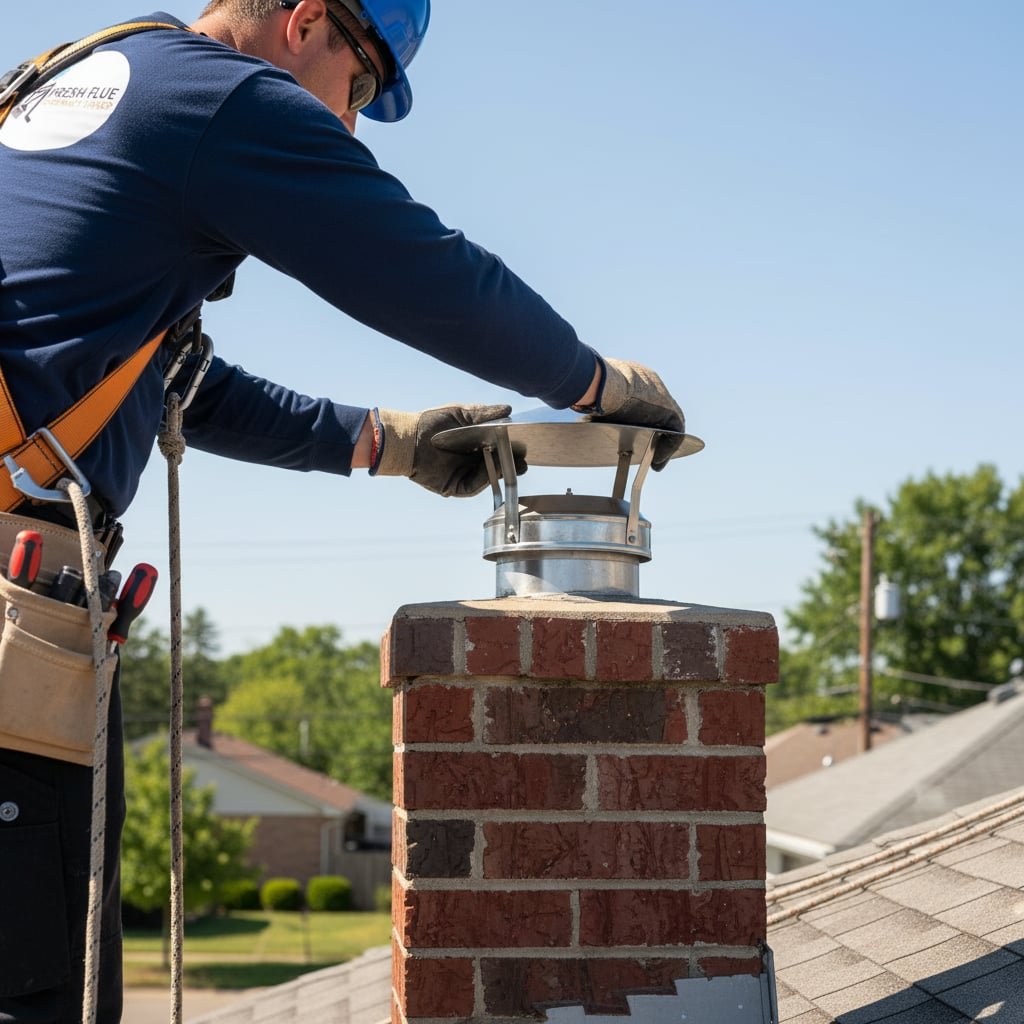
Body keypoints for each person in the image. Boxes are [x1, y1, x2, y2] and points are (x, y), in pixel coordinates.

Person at [0, 1, 684, 1020]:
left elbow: (170, 382)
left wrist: (385, 442)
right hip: (17, 621)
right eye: (359, 86)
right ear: (307, 20)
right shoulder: (224, 98)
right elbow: (418, 268)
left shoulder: (75, 77)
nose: (351, 122)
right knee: (40, 988)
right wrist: (590, 382)